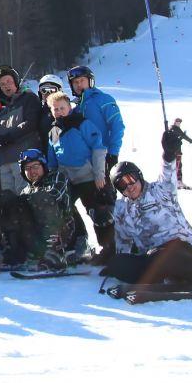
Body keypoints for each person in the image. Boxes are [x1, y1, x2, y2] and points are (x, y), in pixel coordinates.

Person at [105, 132, 192, 288]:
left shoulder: (160, 190)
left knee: (164, 258)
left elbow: (167, 173)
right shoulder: (122, 209)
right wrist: (119, 264)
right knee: (120, 263)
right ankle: (170, 278)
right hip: (152, 256)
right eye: (122, 184)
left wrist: (168, 154)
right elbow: (123, 240)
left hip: (181, 247)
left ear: (139, 176)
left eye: (131, 179)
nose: (129, 186)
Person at [44, 90, 111, 262]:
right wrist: (52, 176)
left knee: (97, 212)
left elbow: (98, 148)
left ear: (69, 107)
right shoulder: (54, 130)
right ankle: (79, 241)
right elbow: (52, 155)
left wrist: (99, 174)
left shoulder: (82, 123)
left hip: (88, 176)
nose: (59, 112)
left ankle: (109, 247)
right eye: (55, 109)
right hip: (67, 178)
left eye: (62, 108)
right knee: (64, 210)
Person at [0, 149, 73, 271]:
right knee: (9, 199)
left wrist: (26, 200)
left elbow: (53, 196)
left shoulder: (57, 177)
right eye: (27, 168)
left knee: (40, 198)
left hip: (63, 229)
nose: (32, 171)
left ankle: (55, 253)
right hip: (37, 234)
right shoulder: (26, 190)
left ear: (43, 166)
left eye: (35, 166)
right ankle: (16, 251)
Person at [0, 65, 44, 211]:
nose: (6, 86)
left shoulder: (29, 98)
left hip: (24, 160)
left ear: (16, 81)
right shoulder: (2, 110)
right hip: (4, 162)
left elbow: (30, 123)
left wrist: (7, 137)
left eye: (8, 81)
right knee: (9, 205)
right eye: (2, 84)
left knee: (26, 201)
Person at [68, 65, 124, 185]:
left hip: (103, 158)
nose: (79, 85)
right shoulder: (73, 107)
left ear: (90, 81)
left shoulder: (103, 99)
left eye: (82, 80)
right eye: (75, 82)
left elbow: (117, 126)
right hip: (83, 164)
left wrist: (113, 153)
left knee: (104, 198)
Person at [164, 118, 192, 188]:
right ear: (174, 122)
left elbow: (176, 138)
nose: (178, 123)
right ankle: (178, 181)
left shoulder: (170, 129)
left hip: (170, 152)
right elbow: (183, 136)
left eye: (179, 122)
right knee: (178, 166)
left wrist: (181, 136)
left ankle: (172, 181)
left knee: (173, 166)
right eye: (177, 122)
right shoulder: (176, 128)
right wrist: (191, 141)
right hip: (176, 151)